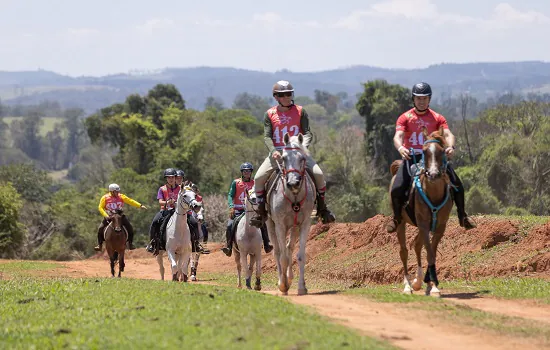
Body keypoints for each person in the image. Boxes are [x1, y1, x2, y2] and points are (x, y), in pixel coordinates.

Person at [386, 82, 477, 233]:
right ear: (413, 99)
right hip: (412, 157)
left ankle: (463, 216)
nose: (421, 101)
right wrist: (401, 147)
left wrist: (450, 146)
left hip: (434, 157)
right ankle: (396, 218)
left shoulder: (437, 117)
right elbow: (398, 136)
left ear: (429, 99)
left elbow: (448, 134)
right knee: (397, 187)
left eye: (425, 98)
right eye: (418, 98)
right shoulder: (405, 117)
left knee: (457, 184)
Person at [250, 80, 336, 227]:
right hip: (277, 154)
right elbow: (267, 136)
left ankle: (322, 208)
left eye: (289, 94)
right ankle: (261, 212)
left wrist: (302, 146)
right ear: (276, 97)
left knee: (319, 175)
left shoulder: (301, 111)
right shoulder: (269, 114)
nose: (286, 97)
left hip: (298, 153)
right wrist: (273, 151)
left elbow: (307, 133)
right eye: (282, 95)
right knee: (258, 178)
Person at [222, 162, 273, 257]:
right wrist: (231, 207)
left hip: (252, 210)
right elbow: (230, 195)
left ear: (251, 172)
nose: (247, 173)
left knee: (262, 223)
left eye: (248, 171)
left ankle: (267, 244)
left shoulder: (255, 183)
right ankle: (228, 246)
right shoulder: (236, 182)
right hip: (238, 210)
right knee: (230, 225)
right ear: (242, 172)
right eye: (244, 171)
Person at [94, 183, 147, 251]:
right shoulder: (105, 198)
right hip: (109, 216)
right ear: (112, 191)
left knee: (130, 227)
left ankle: (130, 243)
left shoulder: (121, 196)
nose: (118, 193)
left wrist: (140, 205)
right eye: (116, 191)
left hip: (119, 217)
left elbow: (130, 201)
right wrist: (106, 215)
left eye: (118, 191)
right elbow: (100, 207)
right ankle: (100, 245)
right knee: (100, 228)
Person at [146, 168, 180, 253]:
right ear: (166, 179)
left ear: (175, 178)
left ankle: (196, 243)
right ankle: (152, 243)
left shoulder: (180, 188)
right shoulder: (162, 189)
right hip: (165, 211)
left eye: (172, 177)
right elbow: (160, 202)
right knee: (154, 222)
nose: (171, 179)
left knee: (193, 222)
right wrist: (167, 202)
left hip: (178, 211)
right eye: (168, 177)